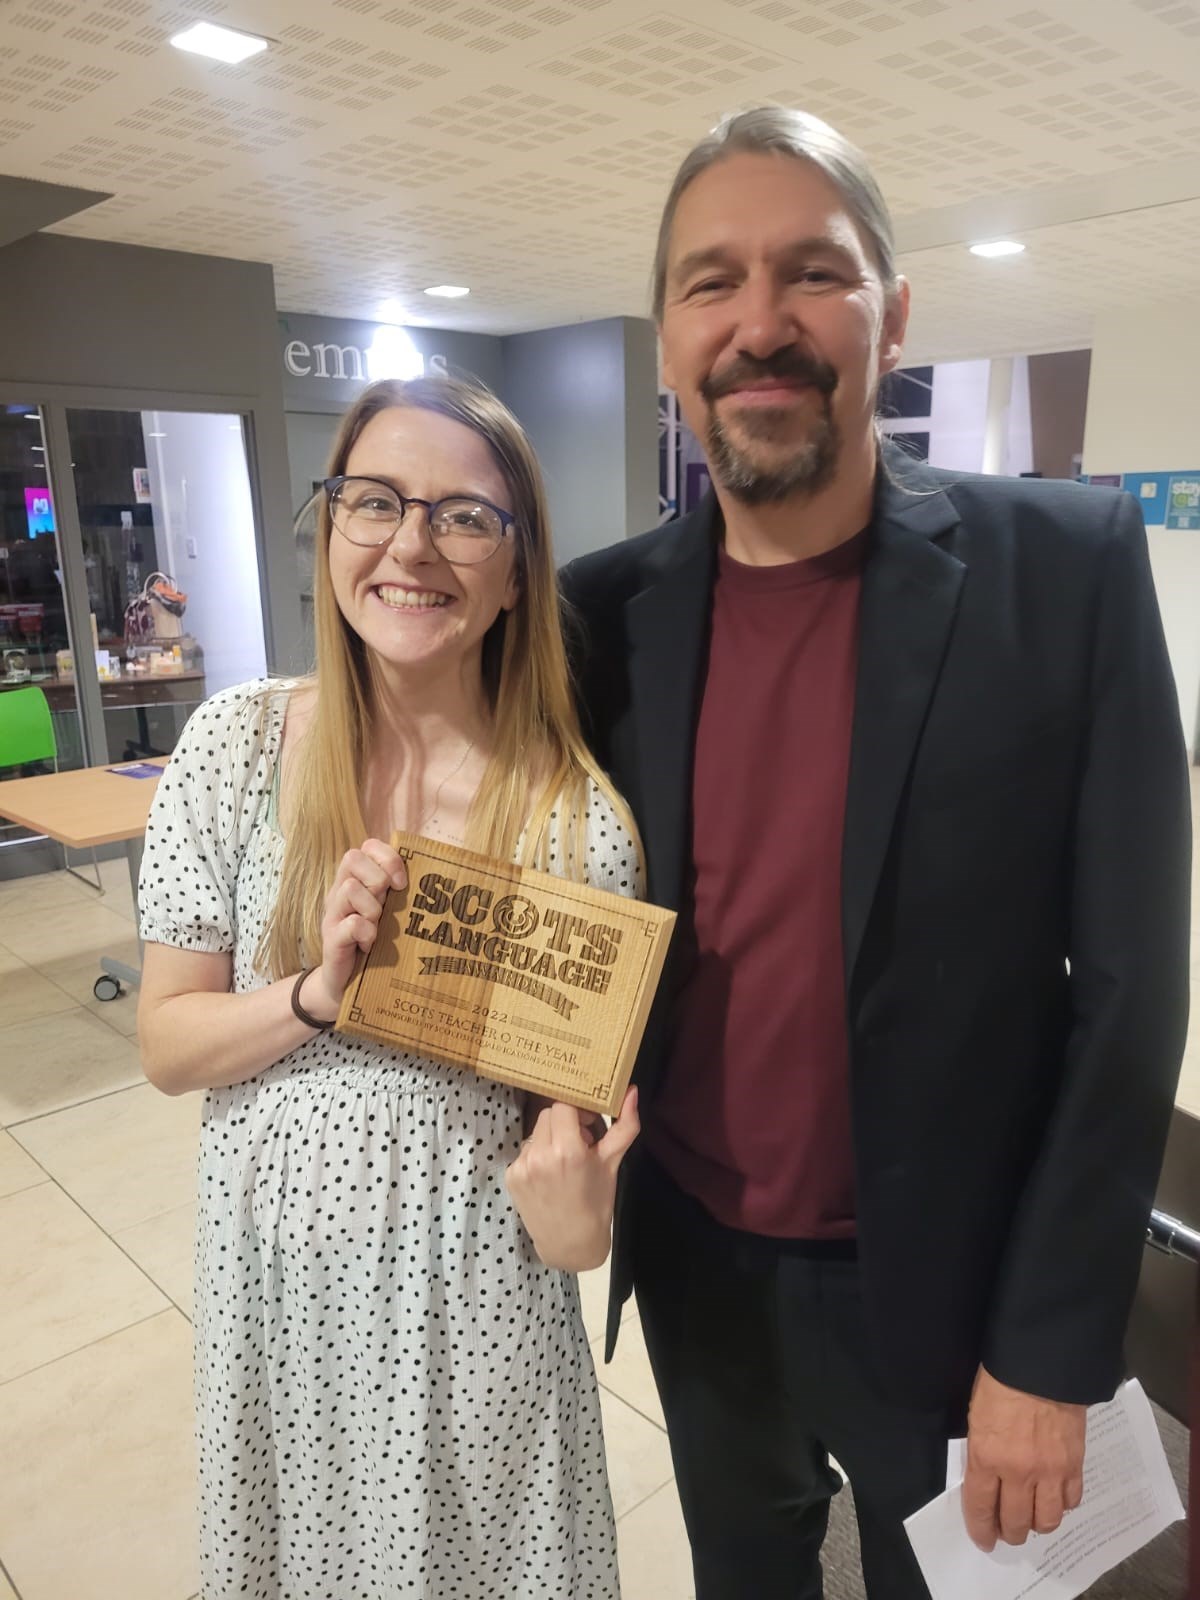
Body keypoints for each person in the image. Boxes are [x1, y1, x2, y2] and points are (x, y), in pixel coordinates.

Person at [561, 107, 1192, 1600]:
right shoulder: (600, 618)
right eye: (712, 282)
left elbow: (1128, 994)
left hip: (955, 1288)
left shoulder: (1069, 570)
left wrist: (1050, 1348)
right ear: (666, 337)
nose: (759, 323)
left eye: (813, 274)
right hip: (698, 1273)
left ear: (892, 314)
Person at [137, 373, 641, 1600]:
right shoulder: (235, 747)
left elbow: (569, 1204)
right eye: (375, 502)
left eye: (464, 516)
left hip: (474, 1317)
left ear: (519, 569)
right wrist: (315, 991)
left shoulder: (575, 824)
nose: (411, 544)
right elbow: (166, 1042)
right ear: (331, 529)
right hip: (279, 1303)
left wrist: (581, 1212)